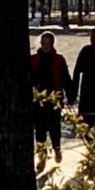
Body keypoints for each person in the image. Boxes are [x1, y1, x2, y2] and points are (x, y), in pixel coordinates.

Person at [30, 31, 73, 171]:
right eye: (43, 43)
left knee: (55, 129)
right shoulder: (33, 60)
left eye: (48, 43)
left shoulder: (59, 60)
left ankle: (57, 149)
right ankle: (42, 158)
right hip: (38, 101)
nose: (45, 45)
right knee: (40, 131)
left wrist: (70, 97)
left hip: (54, 100)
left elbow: (66, 79)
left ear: (52, 44)